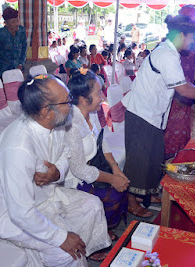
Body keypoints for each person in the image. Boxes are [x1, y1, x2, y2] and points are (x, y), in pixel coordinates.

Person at [0, 74, 112, 266]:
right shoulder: (18, 147)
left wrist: (57, 172)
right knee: (69, 254)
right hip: (11, 216)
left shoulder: (59, 119)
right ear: (46, 112)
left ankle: (82, 248)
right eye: (68, 100)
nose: (73, 104)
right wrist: (61, 238)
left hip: (46, 195)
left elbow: (65, 152)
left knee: (92, 206)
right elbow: (21, 213)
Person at [121, 14, 195, 217]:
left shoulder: (169, 52)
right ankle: (130, 201)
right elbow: (184, 90)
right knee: (138, 160)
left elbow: (183, 85)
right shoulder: (166, 55)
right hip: (142, 113)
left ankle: (145, 194)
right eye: (192, 37)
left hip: (152, 114)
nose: (193, 42)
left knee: (152, 157)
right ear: (182, 35)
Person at [65, 69, 129, 242]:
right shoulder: (72, 125)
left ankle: (104, 228)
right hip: (75, 179)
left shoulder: (91, 114)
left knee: (123, 182)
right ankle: (93, 237)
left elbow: (102, 140)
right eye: (98, 92)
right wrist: (111, 178)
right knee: (114, 193)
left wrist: (115, 168)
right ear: (84, 100)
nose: (102, 96)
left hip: (93, 165)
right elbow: (78, 170)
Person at [163, 4, 195, 161]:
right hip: (172, 90)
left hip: (185, 90)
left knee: (181, 125)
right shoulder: (168, 45)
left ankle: (178, 158)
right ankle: (168, 160)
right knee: (167, 124)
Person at [0, 7, 27, 77]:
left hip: (18, 70)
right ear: (6, 23)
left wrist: (21, 63)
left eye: (17, 20)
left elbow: (24, 48)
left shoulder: (21, 31)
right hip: (3, 71)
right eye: (13, 22)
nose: (17, 23)